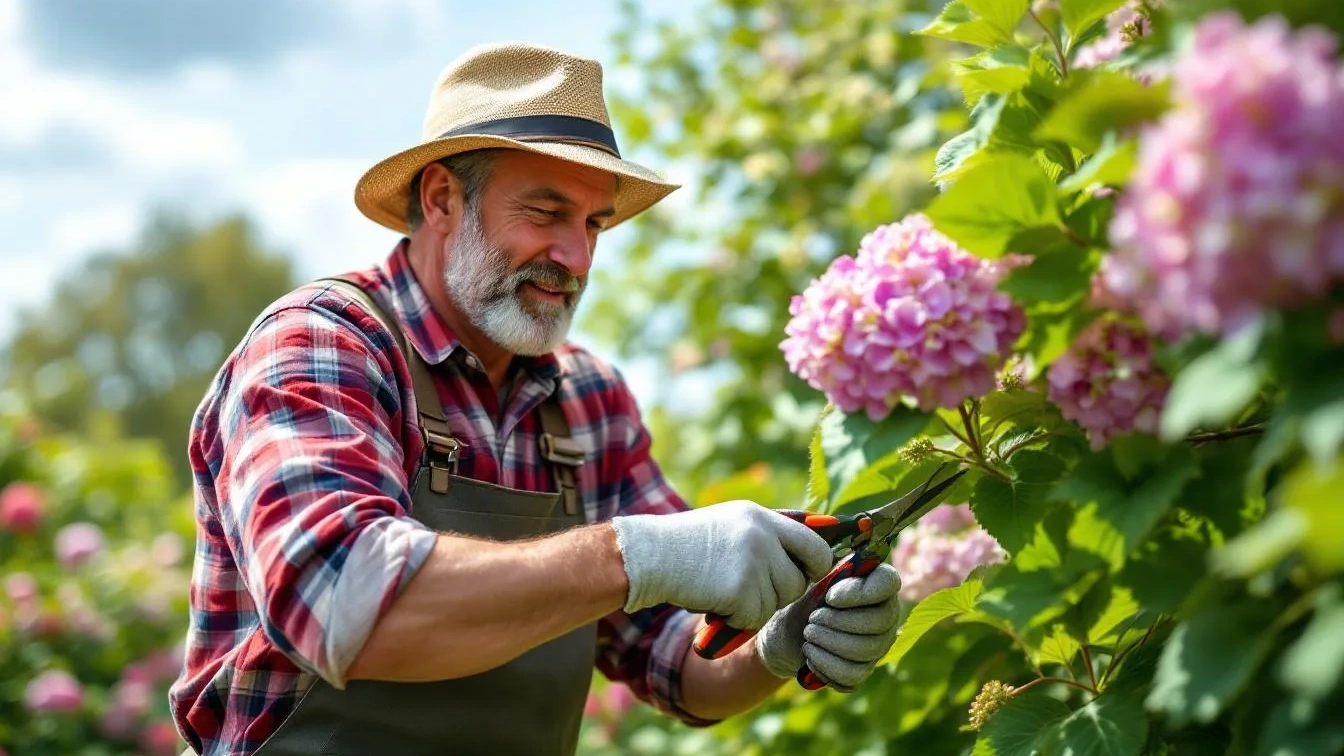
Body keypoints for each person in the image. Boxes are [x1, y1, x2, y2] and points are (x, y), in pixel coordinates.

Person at [168, 41, 906, 756]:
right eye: (547, 213)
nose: (577, 258)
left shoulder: (590, 400)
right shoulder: (326, 345)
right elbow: (342, 603)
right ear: (443, 199)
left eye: (594, 223)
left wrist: (781, 643)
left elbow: (676, 661)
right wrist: (635, 554)